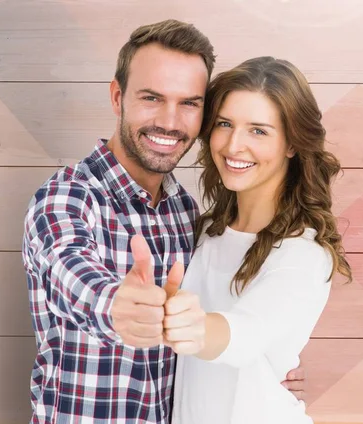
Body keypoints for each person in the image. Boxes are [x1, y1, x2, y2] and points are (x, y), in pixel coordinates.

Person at [21, 20, 304, 424]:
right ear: (118, 97)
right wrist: (115, 305)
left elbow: (225, 326)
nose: (170, 122)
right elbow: (69, 269)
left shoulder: (188, 214)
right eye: (152, 98)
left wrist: (263, 371)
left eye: (189, 103)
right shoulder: (66, 197)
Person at [163, 56, 352, 423]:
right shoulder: (202, 233)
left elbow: (246, 334)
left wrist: (193, 327)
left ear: (292, 144)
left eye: (259, 130)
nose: (234, 145)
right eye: (225, 124)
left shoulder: (304, 254)